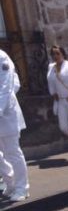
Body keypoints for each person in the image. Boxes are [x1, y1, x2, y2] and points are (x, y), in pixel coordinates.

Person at [0, 49, 29, 202]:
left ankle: (22, 188)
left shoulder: (2, 57)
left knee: (12, 151)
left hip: (6, 115)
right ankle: (10, 180)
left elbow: (6, 87)